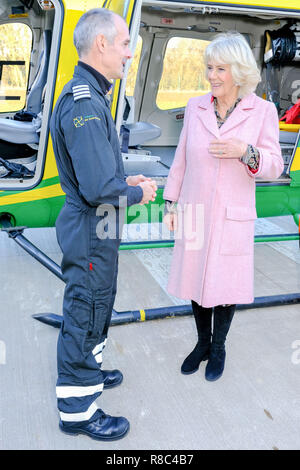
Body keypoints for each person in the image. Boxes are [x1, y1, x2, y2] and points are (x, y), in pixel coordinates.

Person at [50, 8, 157, 441]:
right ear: (102, 45)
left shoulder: (90, 95)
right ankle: (77, 411)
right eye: (125, 44)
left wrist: (122, 178)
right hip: (92, 226)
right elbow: (97, 190)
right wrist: (136, 193)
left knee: (97, 303)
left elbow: (97, 173)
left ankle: (89, 369)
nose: (129, 54)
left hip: (98, 227)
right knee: (86, 308)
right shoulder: (86, 105)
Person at [163, 31, 284, 382]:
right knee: (194, 279)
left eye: (220, 69)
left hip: (233, 215)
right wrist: (171, 204)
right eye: (209, 68)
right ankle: (202, 343)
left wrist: (245, 152)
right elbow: (180, 161)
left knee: (225, 285)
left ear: (240, 71)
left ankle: (219, 348)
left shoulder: (261, 111)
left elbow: (275, 164)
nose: (212, 76)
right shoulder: (195, 107)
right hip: (195, 211)